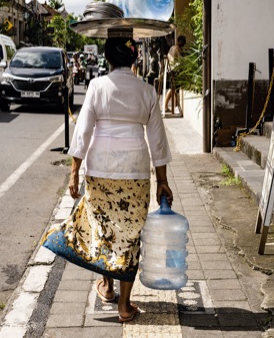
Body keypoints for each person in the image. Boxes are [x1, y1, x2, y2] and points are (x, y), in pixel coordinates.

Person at [41, 36, 173, 323]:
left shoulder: (97, 86)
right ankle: (125, 305)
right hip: (135, 170)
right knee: (129, 233)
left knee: (105, 227)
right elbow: (158, 141)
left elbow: (83, 131)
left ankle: (107, 286)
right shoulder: (147, 91)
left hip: (100, 169)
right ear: (134, 58)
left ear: (108, 60)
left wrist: (74, 171)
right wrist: (162, 179)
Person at [164, 35, 186, 113]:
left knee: (173, 89)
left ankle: (169, 106)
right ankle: (165, 106)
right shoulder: (177, 49)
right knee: (173, 89)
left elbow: (168, 58)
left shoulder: (172, 48)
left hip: (170, 70)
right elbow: (181, 61)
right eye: (183, 42)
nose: (183, 44)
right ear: (180, 42)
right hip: (174, 71)